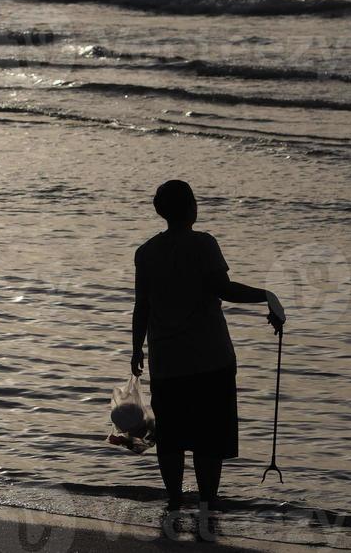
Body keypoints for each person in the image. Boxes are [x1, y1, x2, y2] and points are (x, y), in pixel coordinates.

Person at [131, 180, 286, 515]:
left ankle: (174, 498)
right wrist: (267, 295)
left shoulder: (146, 253)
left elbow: (141, 306)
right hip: (209, 358)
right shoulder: (203, 244)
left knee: (171, 436)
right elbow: (223, 288)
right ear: (190, 208)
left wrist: (136, 349)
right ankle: (206, 501)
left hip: (166, 359)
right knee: (208, 435)